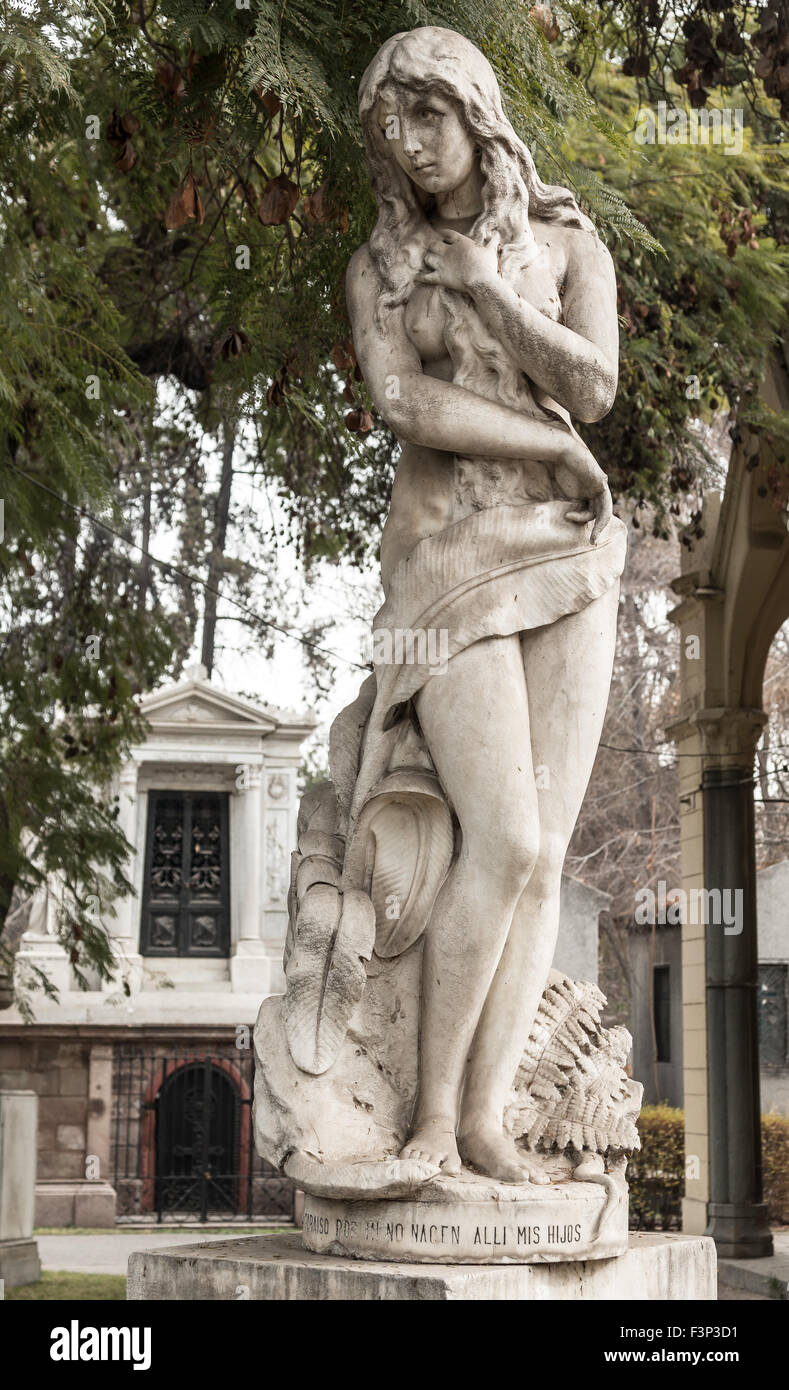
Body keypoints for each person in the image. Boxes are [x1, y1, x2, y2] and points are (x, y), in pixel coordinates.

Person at [345, 26, 626, 1183]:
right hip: (446, 558)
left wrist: (489, 295)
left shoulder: (565, 242)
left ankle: (481, 1125)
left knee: (541, 857)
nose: (413, 146)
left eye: (429, 117)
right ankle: (425, 1119)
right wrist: (547, 450)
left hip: (570, 554)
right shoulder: (377, 268)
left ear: (476, 112)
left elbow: (596, 382)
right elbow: (409, 407)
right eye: (393, 128)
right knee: (501, 833)